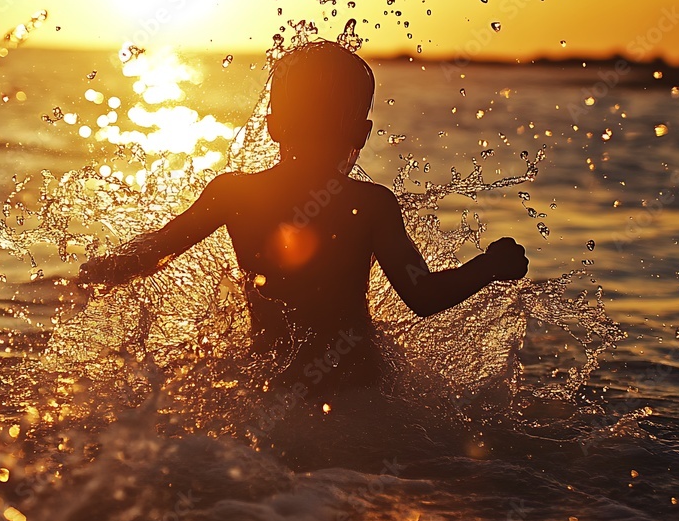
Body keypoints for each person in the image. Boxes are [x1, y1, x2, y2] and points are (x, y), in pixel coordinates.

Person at [79, 40, 527, 397]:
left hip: (273, 386)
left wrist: (100, 270)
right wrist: (488, 266)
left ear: (274, 125)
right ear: (360, 132)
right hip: (359, 388)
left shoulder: (235, 192)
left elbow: (157, 249)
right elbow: (424, 296)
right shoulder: (370, 204)